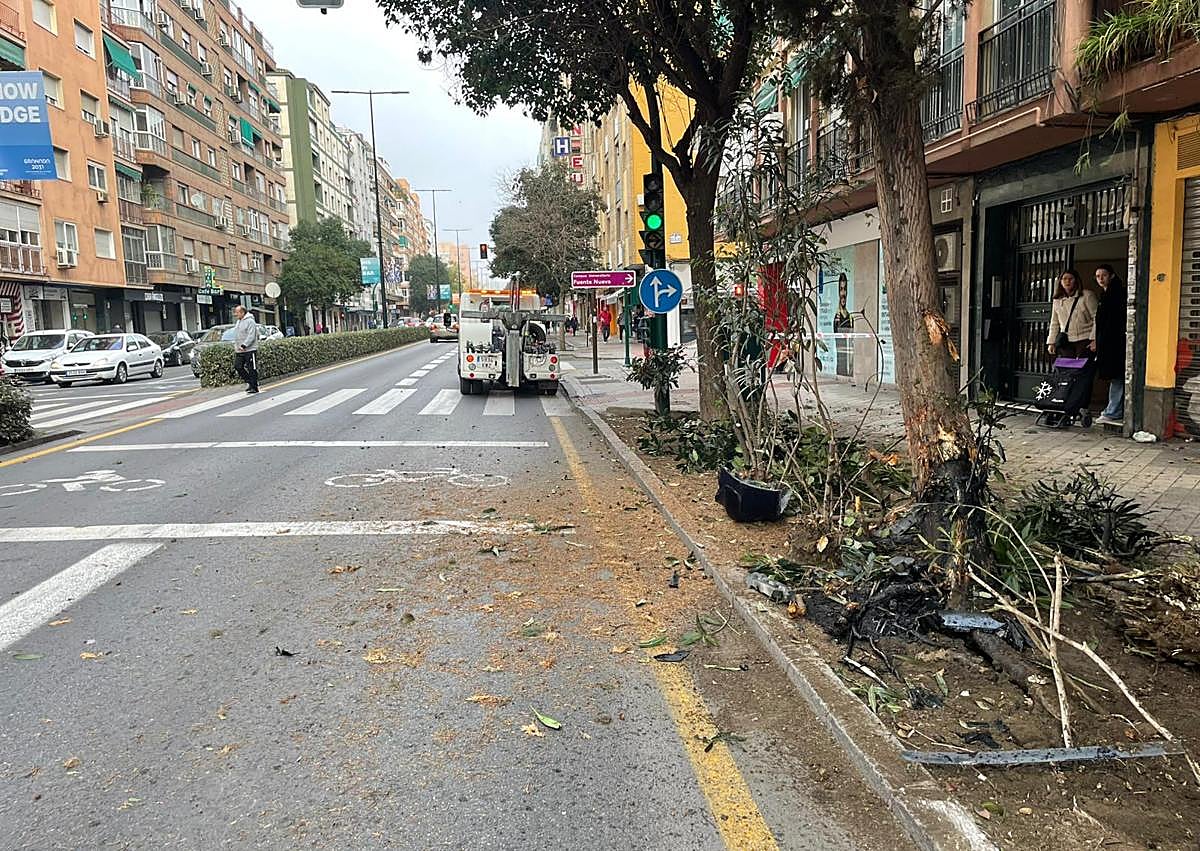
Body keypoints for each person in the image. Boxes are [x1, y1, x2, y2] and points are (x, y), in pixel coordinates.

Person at [1092, 263, 1126, 425]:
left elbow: (1113, 322)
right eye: (1098, 276)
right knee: (1115, 376)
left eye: (1103, 275)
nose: (1100, 279)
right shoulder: (1105, 294)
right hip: (1107, 342)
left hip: (1116, 343)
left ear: (1111, 275)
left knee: (1117, 376)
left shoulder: (1116, 294)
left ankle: (1113, 411)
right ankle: (1113, 410)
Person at [1046, 269, 1099, 359]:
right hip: (1066, 340)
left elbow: (1097, 318)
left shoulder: (1087, 295)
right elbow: (1054, 322)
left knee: (1083, 366)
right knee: (1067, 366)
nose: (1067, 281)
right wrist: (1051, 342)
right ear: (1060, 281)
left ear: (1076, 280)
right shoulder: (1057, 300)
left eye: (1071, 279)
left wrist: (1094, 339)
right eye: (1064, 279)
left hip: (1085, 338)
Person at [232, 305, 260, 394]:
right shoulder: (238, 322)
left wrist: (244, 345)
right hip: (239, 350)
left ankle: (254, 387)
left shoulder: (250, 321)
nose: (235, 314)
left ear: (242, 312)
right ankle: (250, 382)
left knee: (251, 368)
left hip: (250, 349)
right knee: (238, 366)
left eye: (237, 312)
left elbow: (251, 335)